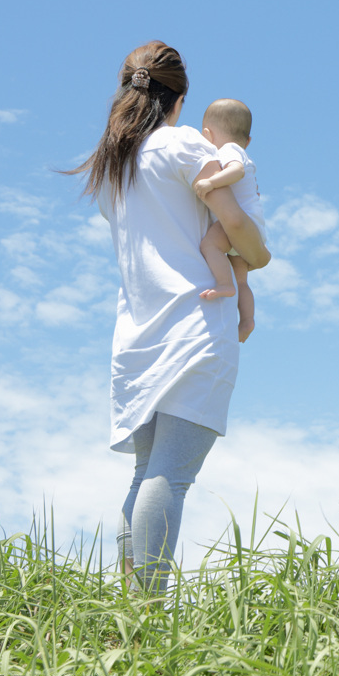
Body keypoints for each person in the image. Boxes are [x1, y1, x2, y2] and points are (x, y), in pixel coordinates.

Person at [66, 41, 269, 594]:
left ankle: (129, 610)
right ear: (178, 100)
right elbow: (240, 228)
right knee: (171, 477)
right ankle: (148, 614)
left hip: (139, 334)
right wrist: (260, 255)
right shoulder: (180, 146)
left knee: (146, 474)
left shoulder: (114, 167)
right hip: (195, 326)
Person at [194, 98, 263, 343]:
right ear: (249, 139)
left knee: (209, 246)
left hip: (239, 222)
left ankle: (224, 284)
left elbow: (236, 171)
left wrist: (211, 182)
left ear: (207, 134)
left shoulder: (229, 150)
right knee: (242, 280)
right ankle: (246, 321)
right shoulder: (242, 149)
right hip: (251, 227)